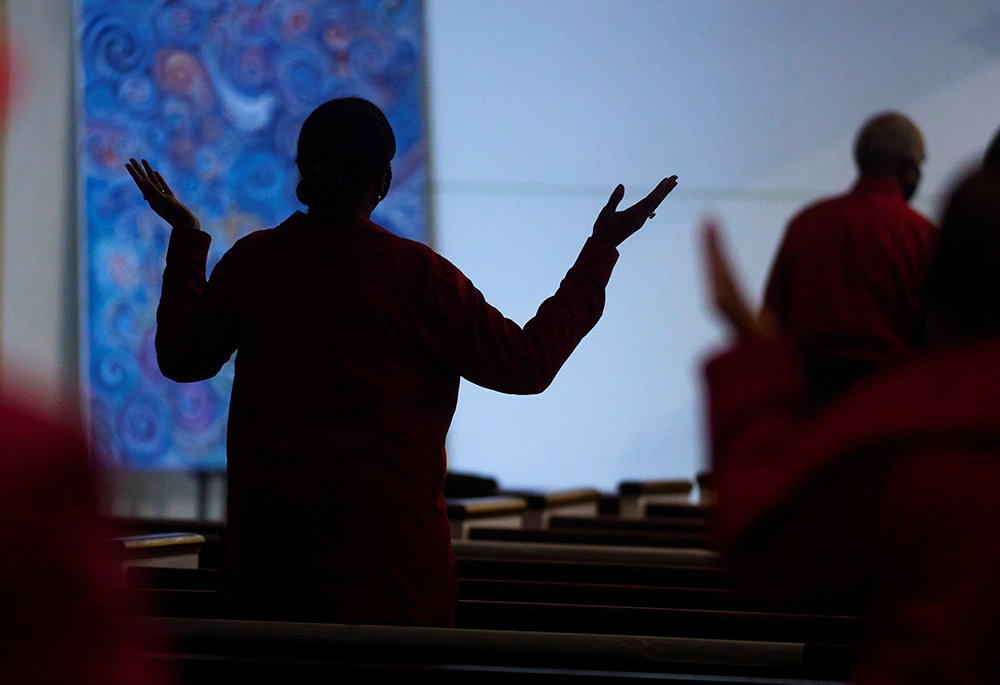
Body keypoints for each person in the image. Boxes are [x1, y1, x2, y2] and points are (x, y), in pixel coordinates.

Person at [127, 97, 677, 626]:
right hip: (393, 592)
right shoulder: (415, 276)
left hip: (268, 583)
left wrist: (188, 238)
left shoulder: (253, 264)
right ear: (383, 181)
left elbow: (180, 359)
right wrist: (600, 251)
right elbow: (526, 365)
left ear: (303, 171)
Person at [702, 165, 1000, 683]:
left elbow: (771, 557)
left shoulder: (899, 431)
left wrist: (754, 359)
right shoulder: (914, 233)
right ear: (910, 171)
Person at [762, 112, 937, 401]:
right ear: (908, 169)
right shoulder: (922, 236)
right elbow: (939, 334)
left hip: (813, 403)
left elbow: (772, 323)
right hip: (892, 397)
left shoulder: (808, 225)